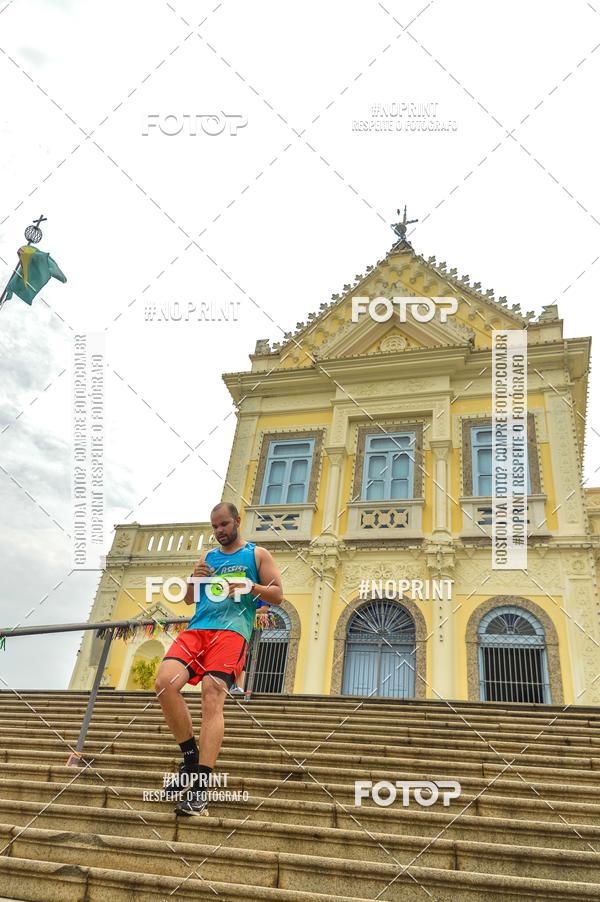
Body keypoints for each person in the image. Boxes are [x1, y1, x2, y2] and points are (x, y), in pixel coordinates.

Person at [154, 502, 283, 816]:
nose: (219, 531)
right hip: (197, 629)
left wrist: (250, 587)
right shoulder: (208, 557)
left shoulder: (257, 554)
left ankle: (200, 789)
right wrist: (193, 578)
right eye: (214, 526)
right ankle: (190, 758)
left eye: (224, 524)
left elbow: (278, 594)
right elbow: (189, 599)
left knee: (212, 696)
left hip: (231, 632)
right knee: (164, 683)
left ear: (237, 521)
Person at [230, 599, 270, 696]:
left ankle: (239, 686)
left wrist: (246, 613)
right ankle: (232, 685)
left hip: (251, 625)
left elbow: (264, 609)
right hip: (238, 625)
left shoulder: (261, 594)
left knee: (241, 654)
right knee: (234, 655)